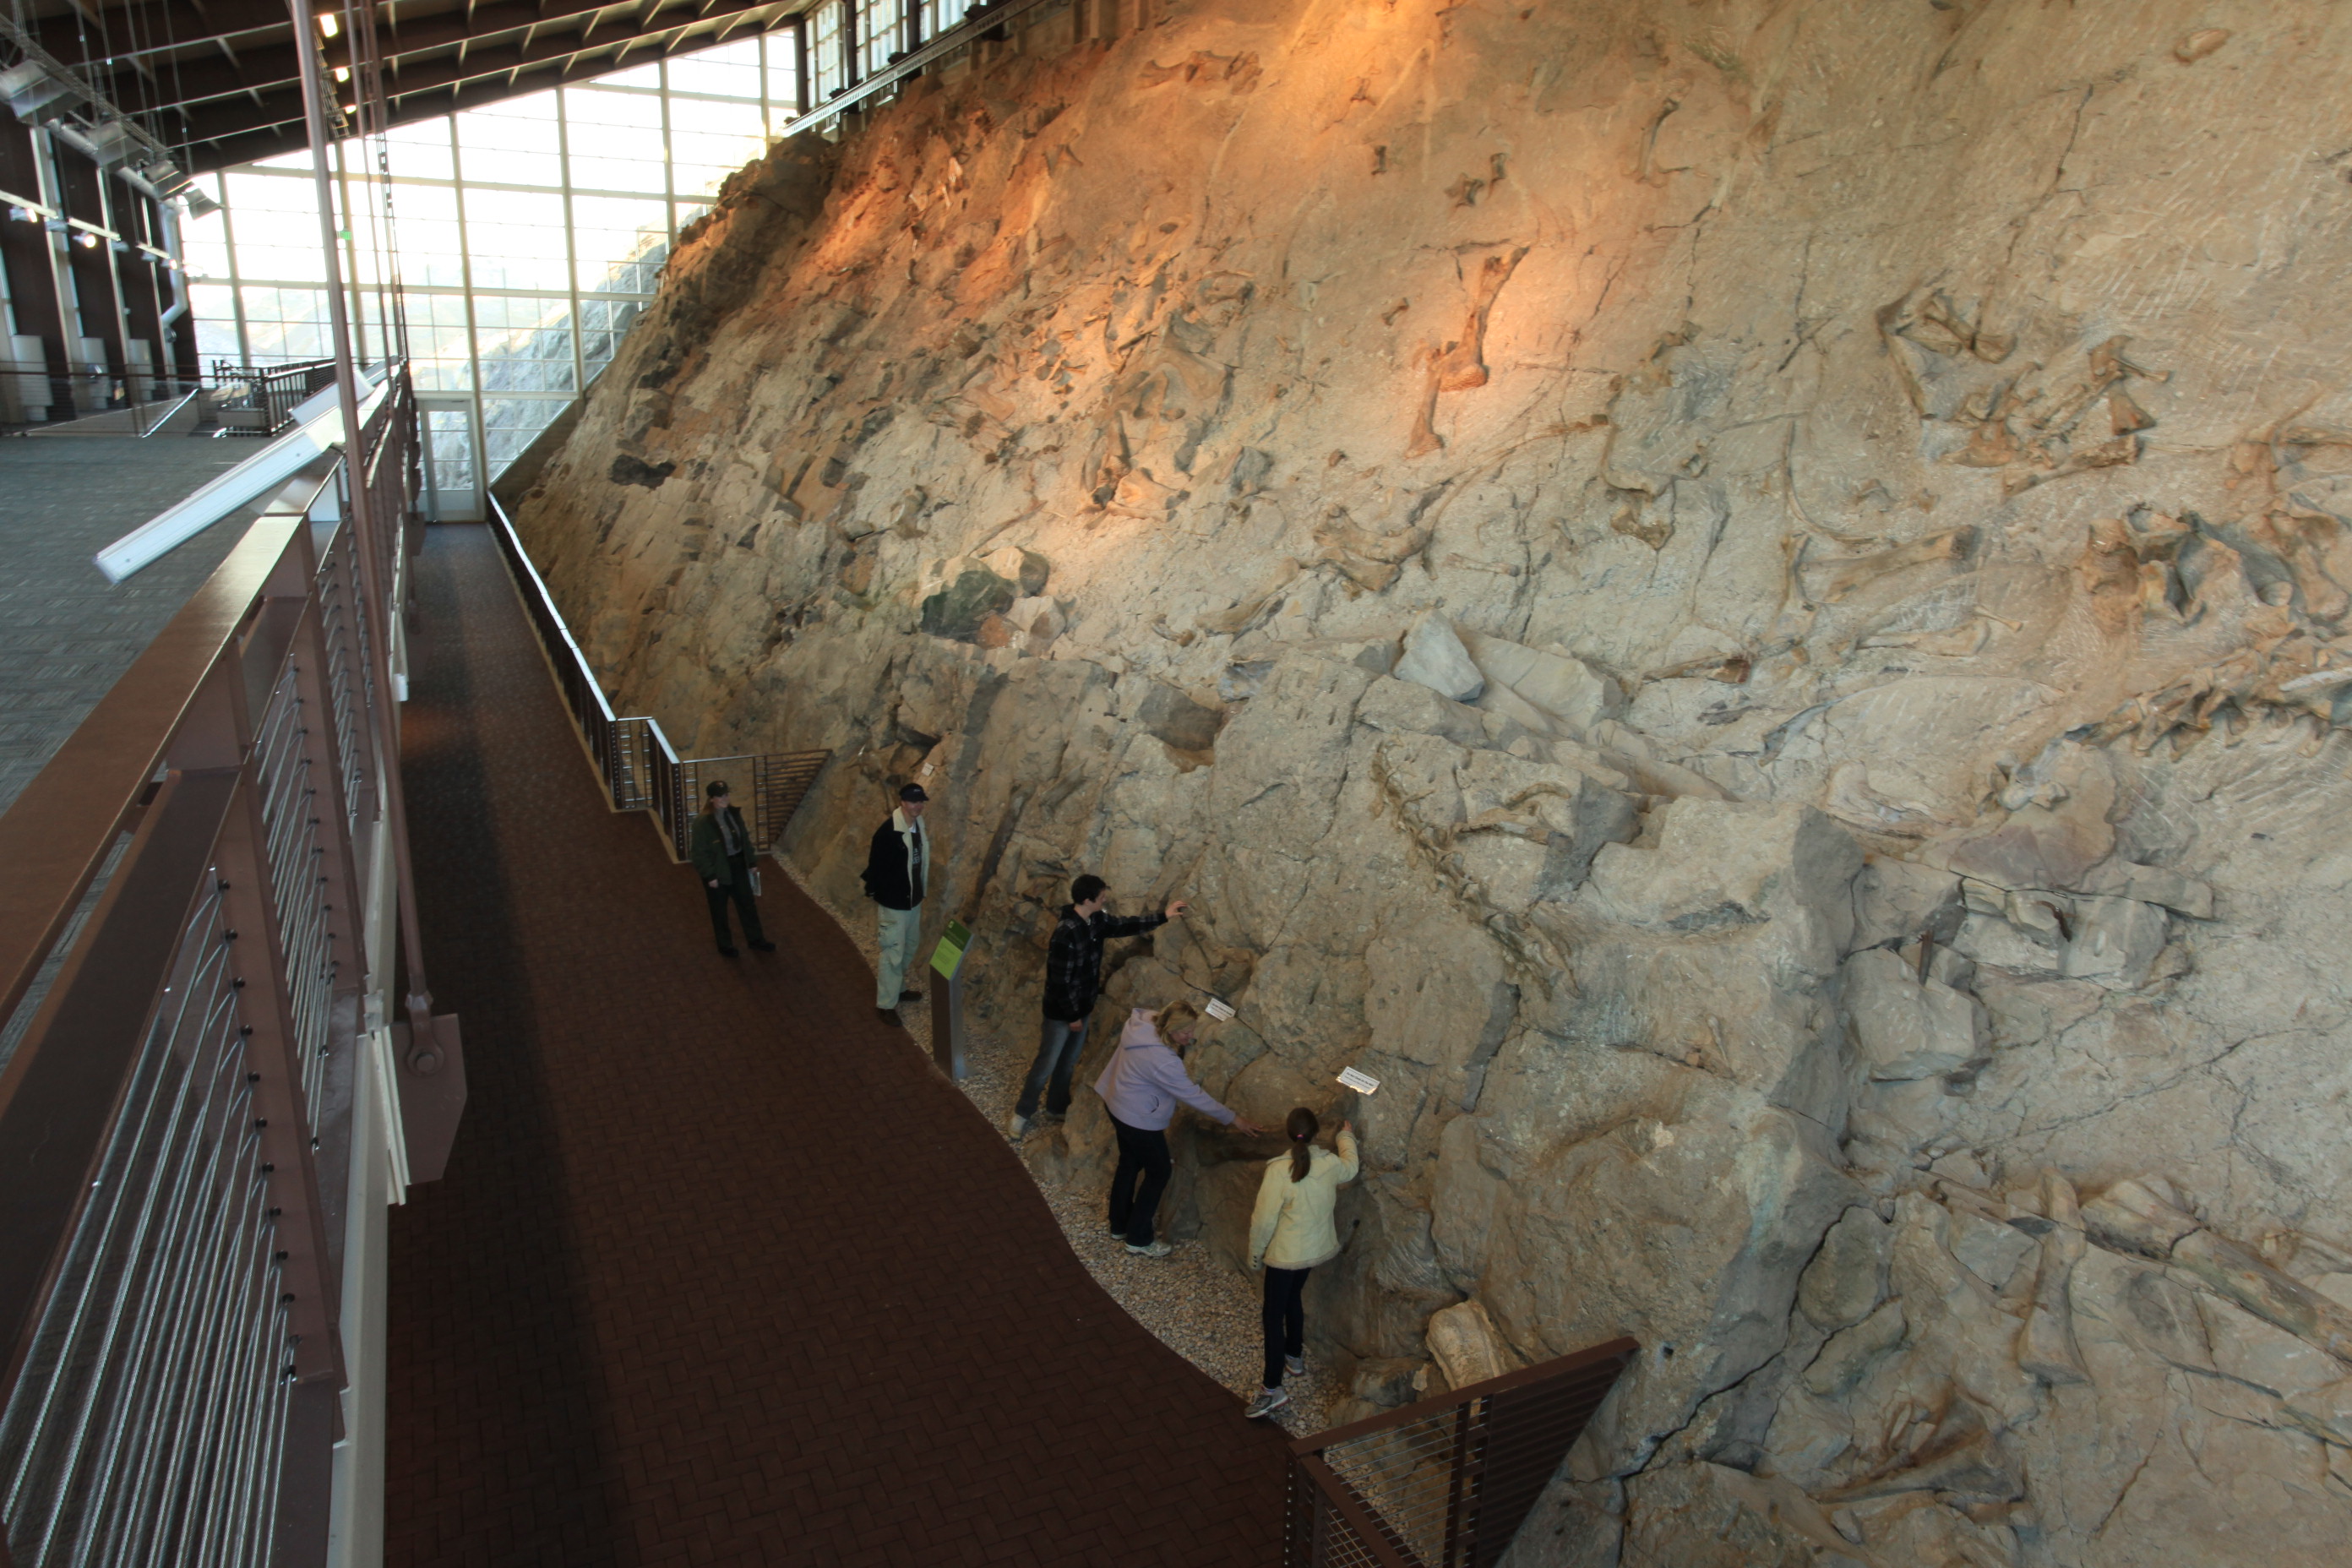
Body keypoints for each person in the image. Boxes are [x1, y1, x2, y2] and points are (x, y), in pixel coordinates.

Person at [1008, 875, 1190, 1141]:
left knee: (1068, 1063)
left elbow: (1125, 925)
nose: (1105, 899)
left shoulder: (1096, 920)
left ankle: (1055, 1107)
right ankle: (1022, 1113)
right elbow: (1060, 981)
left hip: (1082, 1008)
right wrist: (1072, 1017)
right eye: (1102, 896)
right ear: (1087, 900)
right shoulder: (1066, 932)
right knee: (1045, 1063)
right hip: (1063, 1014)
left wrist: (1164, 916)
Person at [1094, 999, 1265, 1257]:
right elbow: (1193, 1095)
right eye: (1185, 1032)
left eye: (1192, 1030)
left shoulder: (1144, 1022)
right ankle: (1138, 1238)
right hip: (1137, 1118)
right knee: (1159, 1171)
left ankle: (1119, 1225)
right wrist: (1234, 1119)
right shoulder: (1163, 1061)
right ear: (1171, 1029)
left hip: (1116, 1103)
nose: (1190, 1036)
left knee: (1129, 1163)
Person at [1243, 1108, 1359, 1419]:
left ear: (1288, 1132)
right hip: (1312, 1250)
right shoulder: (1330, 1164)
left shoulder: (1280, 1170)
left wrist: (1255, 1256)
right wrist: (1346, 1137)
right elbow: (1350, 1168)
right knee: (1294, 1297)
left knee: (1272, 1315)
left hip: (1284, 1255)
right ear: (1315, 1133)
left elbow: (1264, 1220)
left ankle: (1272, 1389)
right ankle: (1294, 1356)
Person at [861, 782, 932, 1026]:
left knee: (909, 946)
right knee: (893, 952)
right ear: (902, 802)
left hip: (913, 900)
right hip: (895, 903)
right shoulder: (888, 832)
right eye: (913, 801)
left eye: (921, 801)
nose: (918, 806)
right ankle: (886, 1004)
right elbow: (876, 867)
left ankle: (899, 988)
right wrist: (878, 891)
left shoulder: (918, 824)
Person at [689, 779, 774, 957]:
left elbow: (744, 839)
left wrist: (751, 862)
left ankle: (756, 939)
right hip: (718, 870)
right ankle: (725, 945)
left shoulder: (734, 814)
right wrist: (709, 875)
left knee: (747, 904)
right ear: (712, 799)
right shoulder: (702, 823)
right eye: (720, 796)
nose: (725, 799)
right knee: (719, 909)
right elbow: (699, 853)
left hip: (737, 866)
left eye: (726, 795)